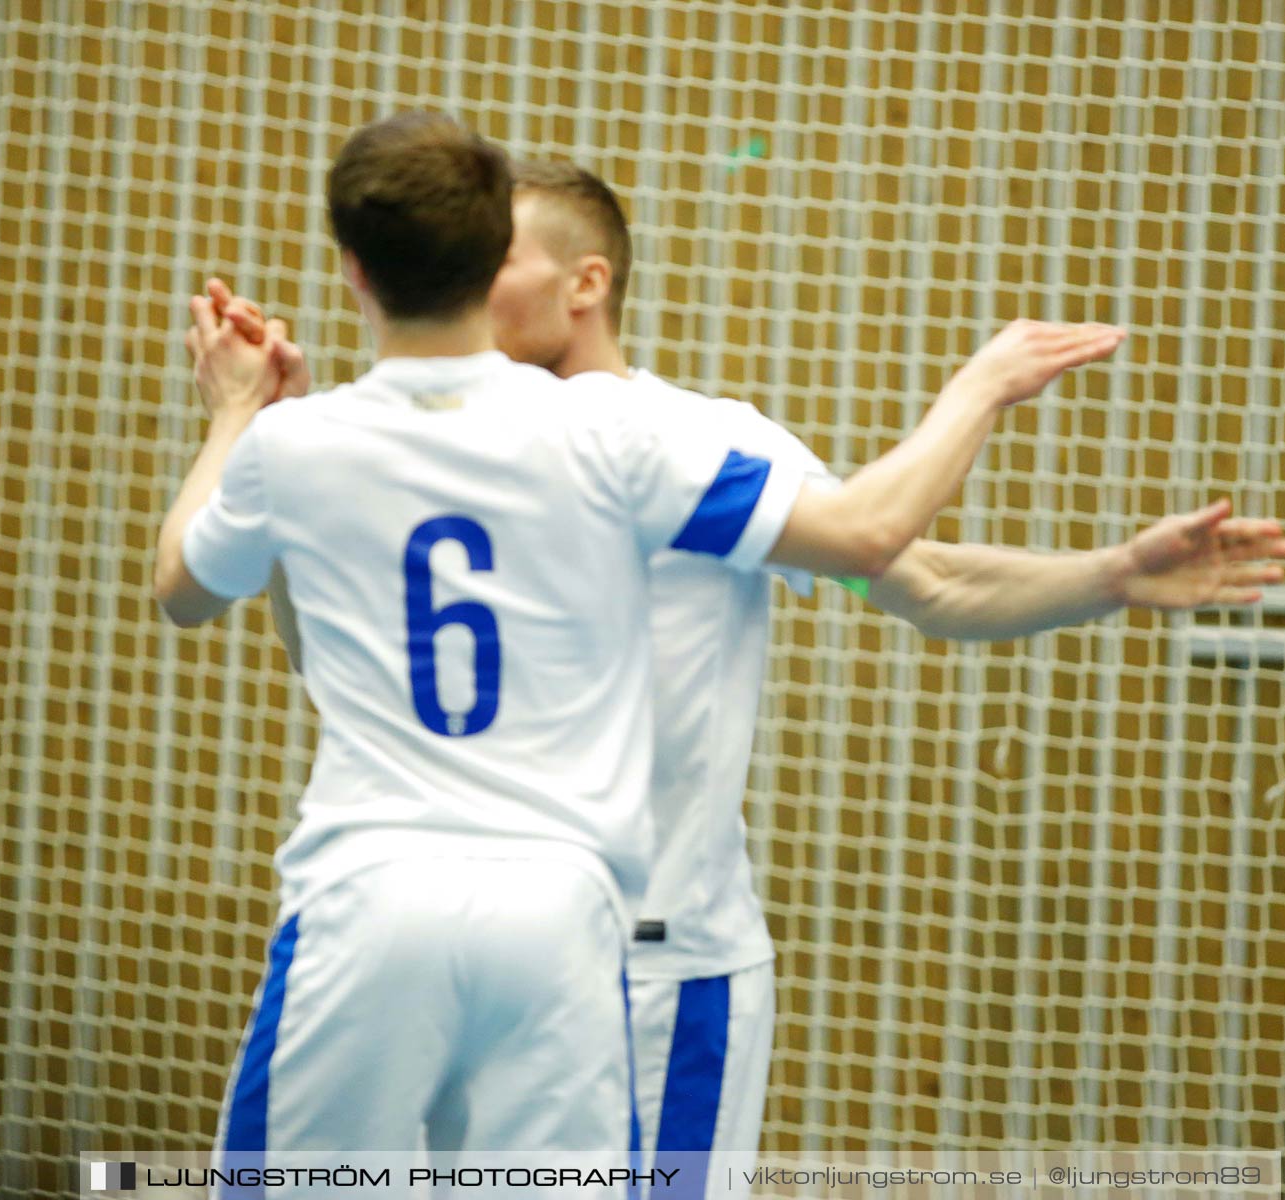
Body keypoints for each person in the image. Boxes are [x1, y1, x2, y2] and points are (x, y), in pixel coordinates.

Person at [158, 111, 1126, 1181]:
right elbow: (326, 665)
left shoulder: (681, 435)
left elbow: (922, 575)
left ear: (587, 282)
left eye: (505, 254)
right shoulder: (474, 443)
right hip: (534, 925)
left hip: (656, 958)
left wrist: (1112, 576)